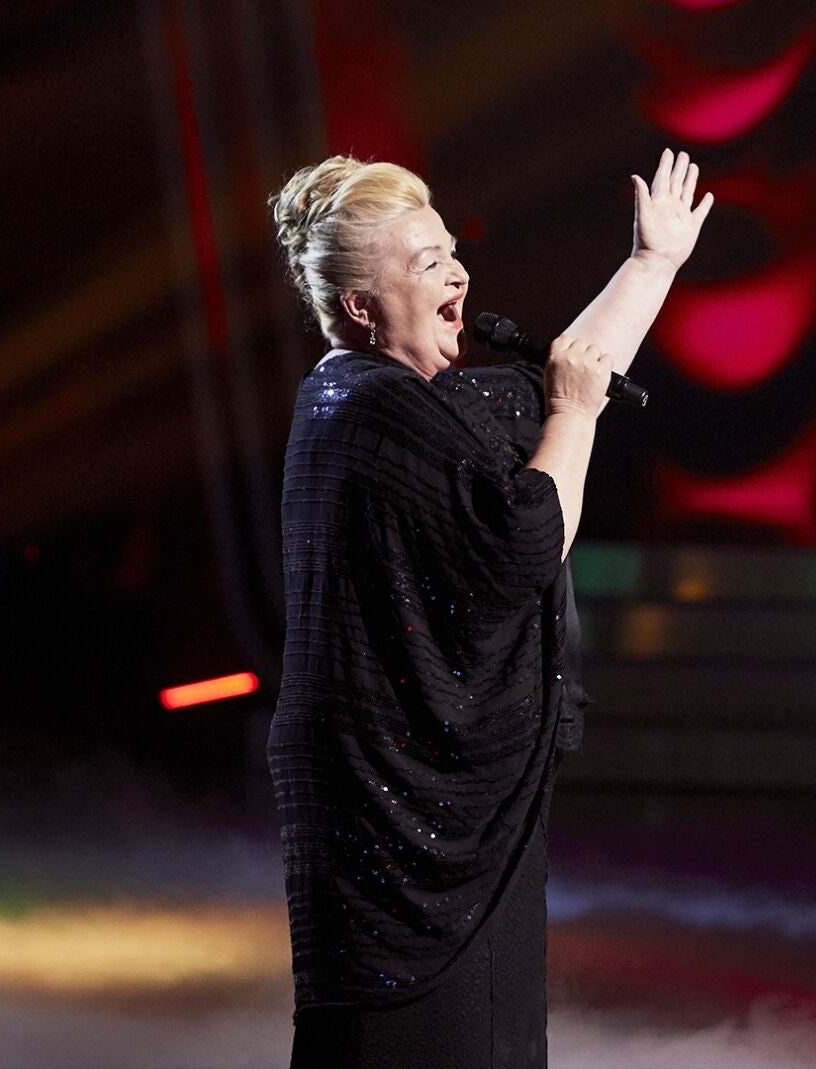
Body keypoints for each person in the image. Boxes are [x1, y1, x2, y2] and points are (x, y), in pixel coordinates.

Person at [267, 149, 711, 1068]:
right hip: (399, 837)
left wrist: (650, 265)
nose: (458, 273)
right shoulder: (369, 410)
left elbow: (550, 388)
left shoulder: (398, 395)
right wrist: (579, 418)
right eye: (427, 263)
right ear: (359, 305)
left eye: (452, 251)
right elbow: (527, 541)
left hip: (447, 821)